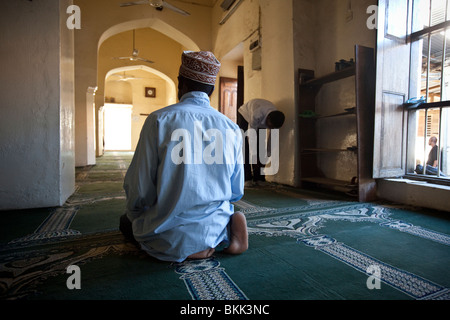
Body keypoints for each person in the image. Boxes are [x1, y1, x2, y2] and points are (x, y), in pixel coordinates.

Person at [120, 51, 248, 262]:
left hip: (168, 231)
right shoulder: (230, 127)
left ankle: (186, 246)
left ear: (181, 83)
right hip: (215, 223)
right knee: (221, 212)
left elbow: (140, 186)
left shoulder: (159, 119)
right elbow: (236, 191)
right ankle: (221, 236)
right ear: (212, 90)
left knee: (125, 223)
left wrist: (135, 214)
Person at [237, 99, 285, 186]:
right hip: (245, 115)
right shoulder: (257, 115)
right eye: (270, 126)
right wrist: (254, 158)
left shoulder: (274, 121)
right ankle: (247, 178)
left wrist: (266, 157)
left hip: (260, 117)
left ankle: (259, 178)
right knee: (245, 147)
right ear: (268, 118)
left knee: (261, 146)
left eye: (273, 127)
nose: (271, 128)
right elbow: (251, 137)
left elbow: (271, 141)